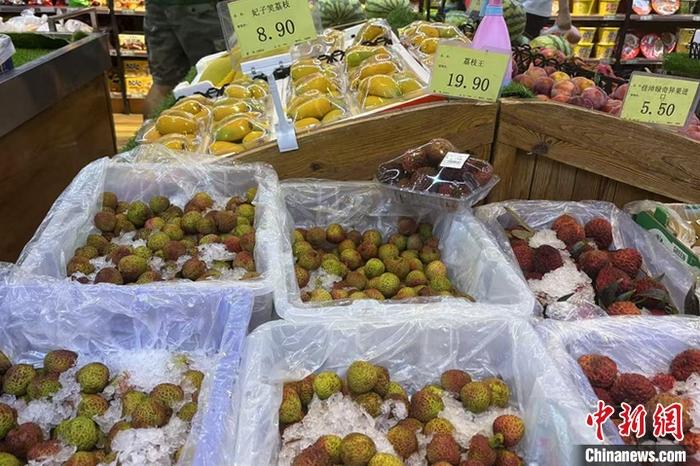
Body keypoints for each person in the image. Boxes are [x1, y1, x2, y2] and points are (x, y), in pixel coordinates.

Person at [143, 0, 225, 116]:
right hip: (203, 8)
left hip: (157, 7)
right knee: (218, 79)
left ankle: (152, 127)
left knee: (163, 86)